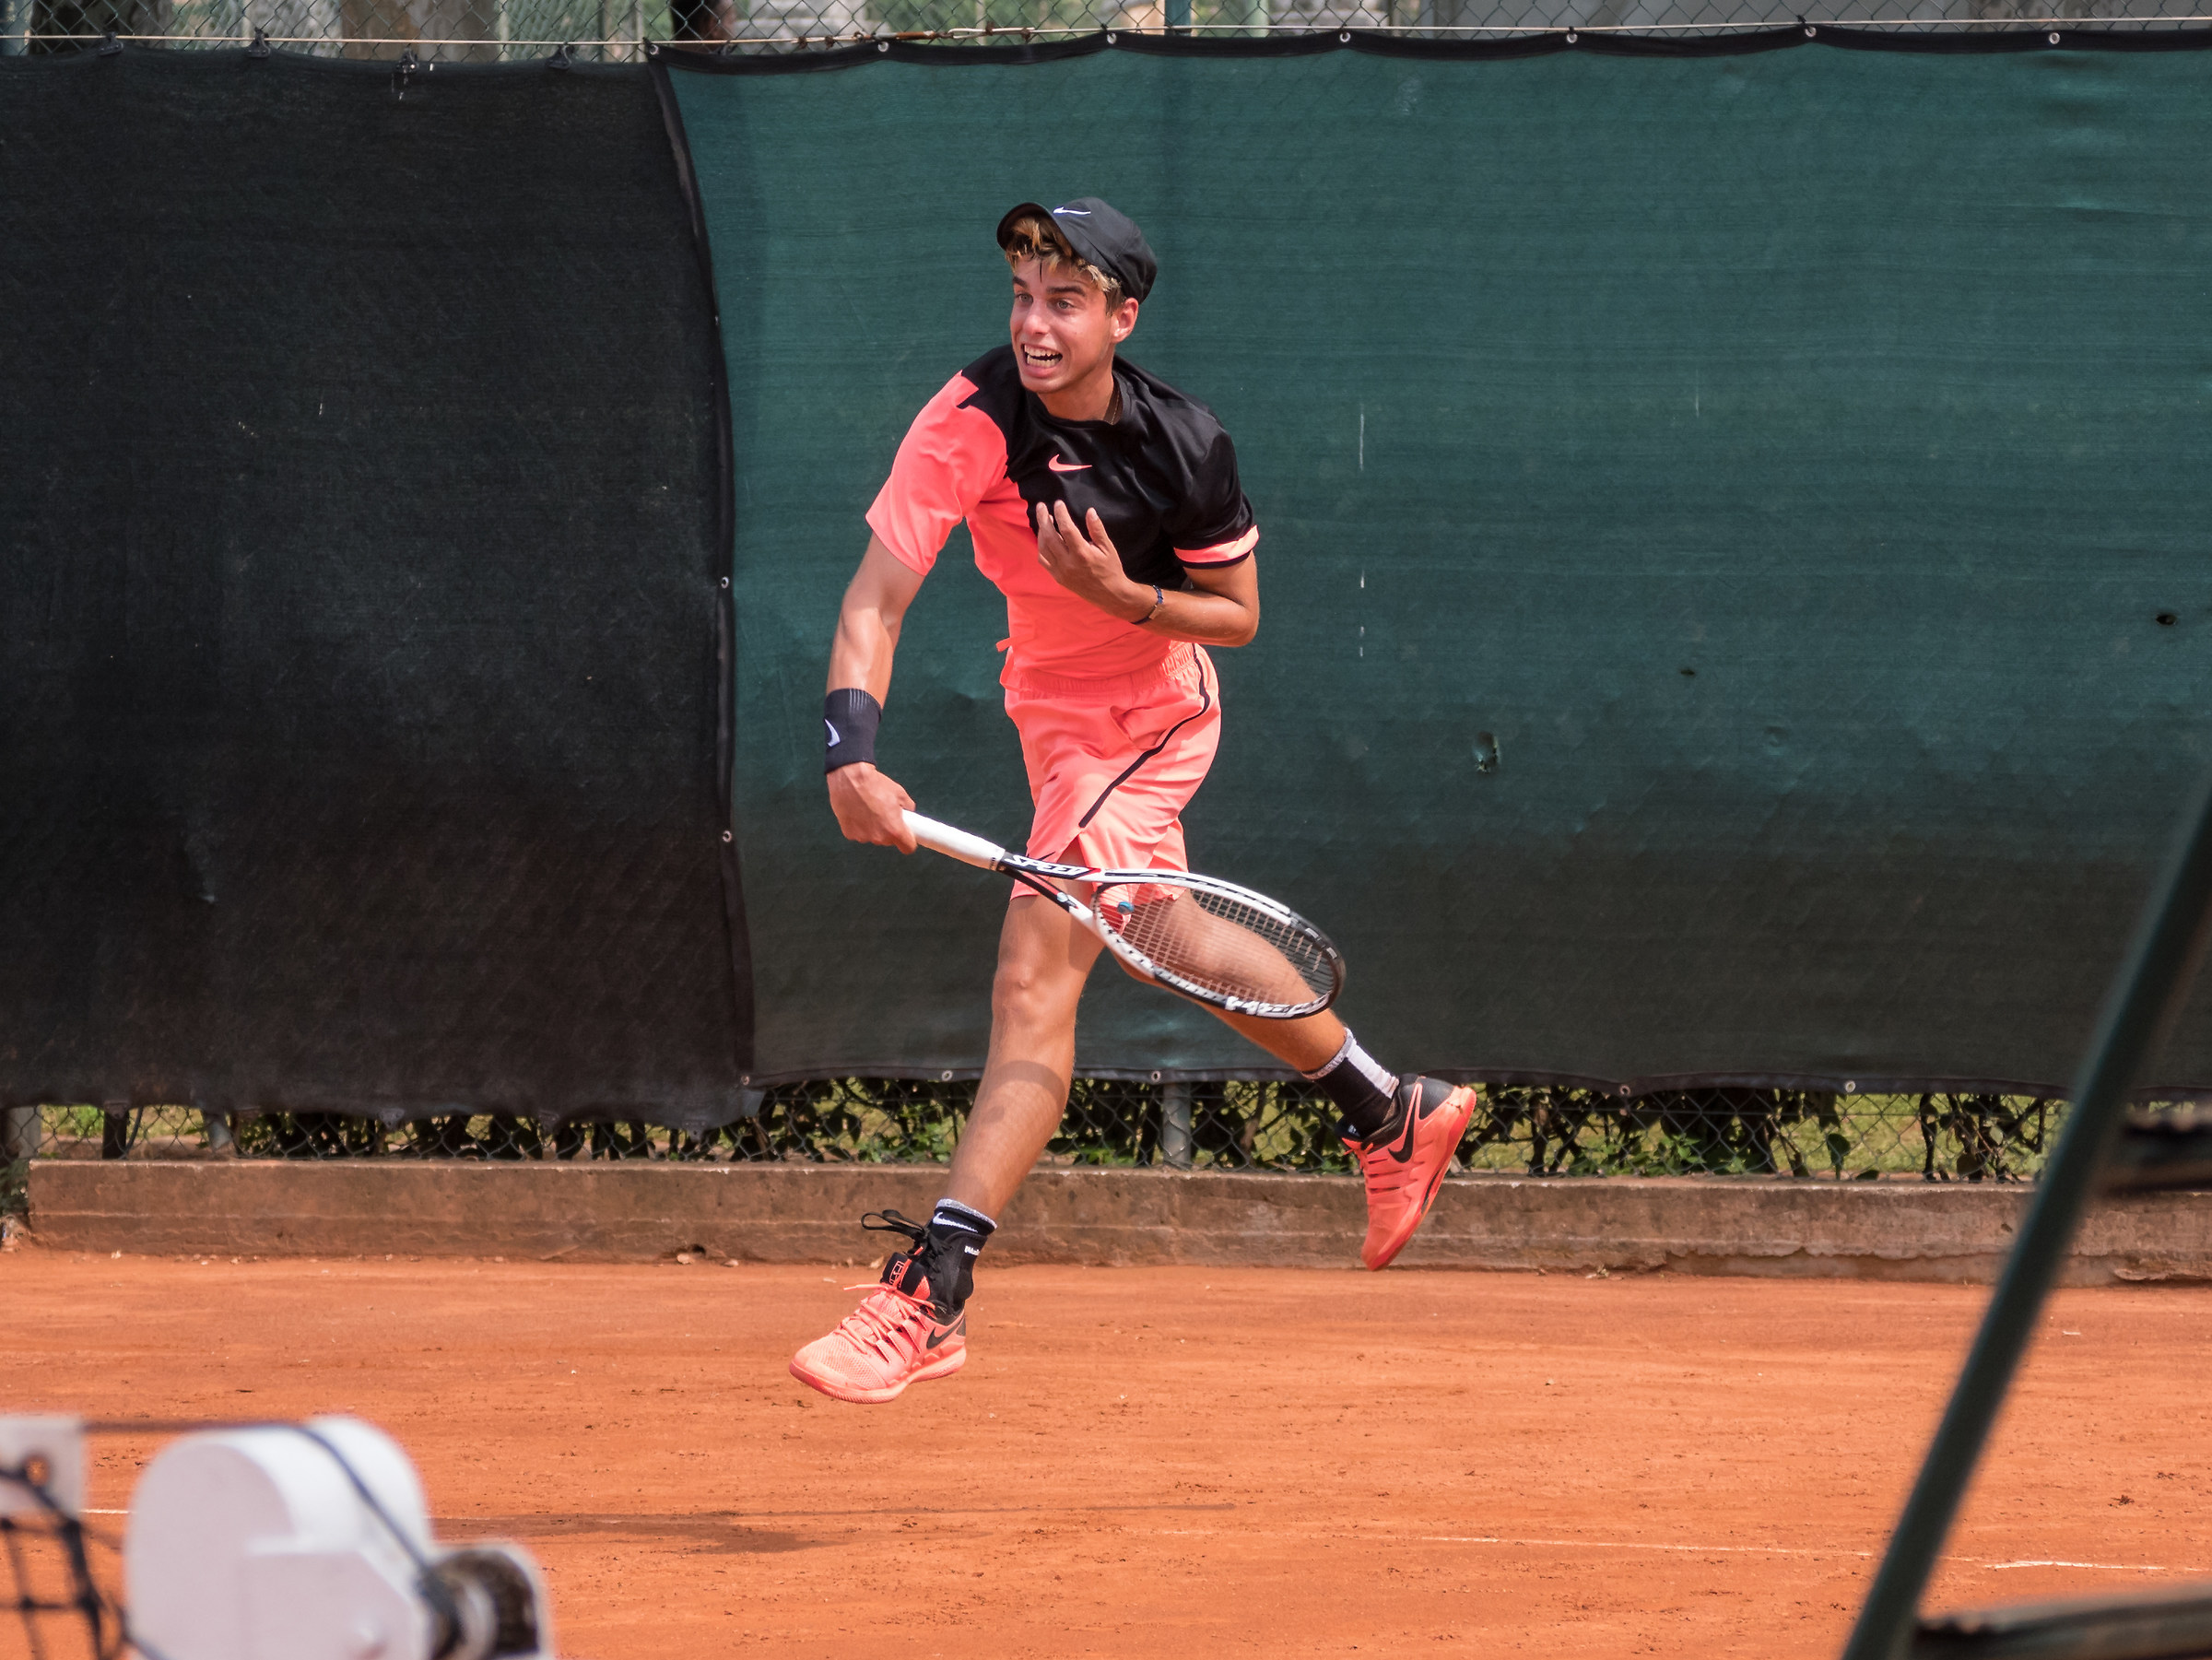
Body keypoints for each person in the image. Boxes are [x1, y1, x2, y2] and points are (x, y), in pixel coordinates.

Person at [790, 198, 1477, 1406]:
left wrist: (1121, 595)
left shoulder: (1185, 445)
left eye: (1064, 301)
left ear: (1122, 317)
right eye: (1022, 297)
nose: (1034, 324)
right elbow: (872, 603)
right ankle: (1389, 1107)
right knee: (1160, 930)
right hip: (1049, 716)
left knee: (1033, 976)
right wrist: (852, 752)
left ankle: (933, 1286)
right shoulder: (971, 416)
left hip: (1153, 710)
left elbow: (1238, 617)